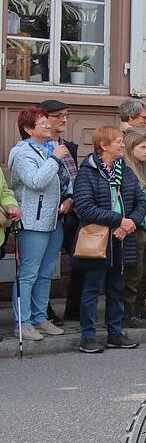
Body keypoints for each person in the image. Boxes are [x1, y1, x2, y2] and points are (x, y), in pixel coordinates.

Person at [72, 126, 146, 354]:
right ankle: (88, 336)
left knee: (117, 288)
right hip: (98, 240)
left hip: (122, 239)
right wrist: (118, 220)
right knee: (92, 289)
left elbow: (141, 202)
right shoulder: (88, 171)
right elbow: (84, 206)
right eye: (118, 141)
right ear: (104, 146)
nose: (123, 145)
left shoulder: (124, 170)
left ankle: (115, 332)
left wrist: (130, 223)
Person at [7, 107, 70, 341]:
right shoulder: (22, 153)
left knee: (45, 273)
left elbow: (64, 179)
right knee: (29, 273)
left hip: (54, 219)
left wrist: (70, 196)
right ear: (28, 129)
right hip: (33, 221)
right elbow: (35, 181)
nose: (47, 126)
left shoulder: (50, 148)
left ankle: (40, 317)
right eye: (42, 123)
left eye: (46, 122)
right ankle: (22, 323)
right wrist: (55, 159)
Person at [40, 99, 83, 323]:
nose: (64, 119)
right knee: (44, 264)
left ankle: (74, 309)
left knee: (80, 259)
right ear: (44, 118)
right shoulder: (37, 147)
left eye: (66, 115)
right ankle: (43, 309)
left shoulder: (70, 146)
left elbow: (74, 179)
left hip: (71, 211)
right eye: (58, 116)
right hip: (48, 211)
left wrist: (72, 199)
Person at [121, 130, 146, 327]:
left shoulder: (140, 169)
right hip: (134, 227)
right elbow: (142, 199)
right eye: (142, 147)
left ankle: (138, 308)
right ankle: (130, 313)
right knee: (135, 271)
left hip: (144, 226)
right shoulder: (126, 172)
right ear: (130, 149)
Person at [118, 98, 146, 174]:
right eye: (144, 118)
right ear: (130, 117)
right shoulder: (119, 139)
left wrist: (129, 129)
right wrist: (129, 130)